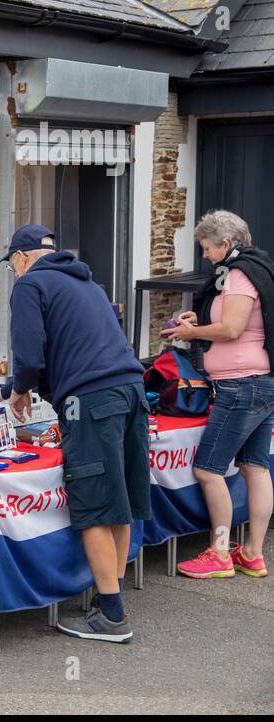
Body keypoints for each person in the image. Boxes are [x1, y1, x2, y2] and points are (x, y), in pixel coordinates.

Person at [0, 224, 151, 643]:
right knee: (117, 501)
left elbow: (28, 353)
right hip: (132, 391)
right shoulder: (87, 281)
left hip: (92, 401)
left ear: (22, 257)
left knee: (95, 505)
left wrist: (20, 389)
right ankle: (109, 599)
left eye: (12, 265)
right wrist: (15, 388)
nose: (13, 273)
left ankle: (113, 618)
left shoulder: (30, 286)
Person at [162, 210, 273, 580]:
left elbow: (233, 328)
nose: (206, 256)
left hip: (240, 385)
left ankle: (220, 552)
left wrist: (191, 334)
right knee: (255, 467)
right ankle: (253, 553)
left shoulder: (239, 276)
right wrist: (197, 323)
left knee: (207, 469)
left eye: (207, 248)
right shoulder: (254, 270)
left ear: (226, 244)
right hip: (259, 380)